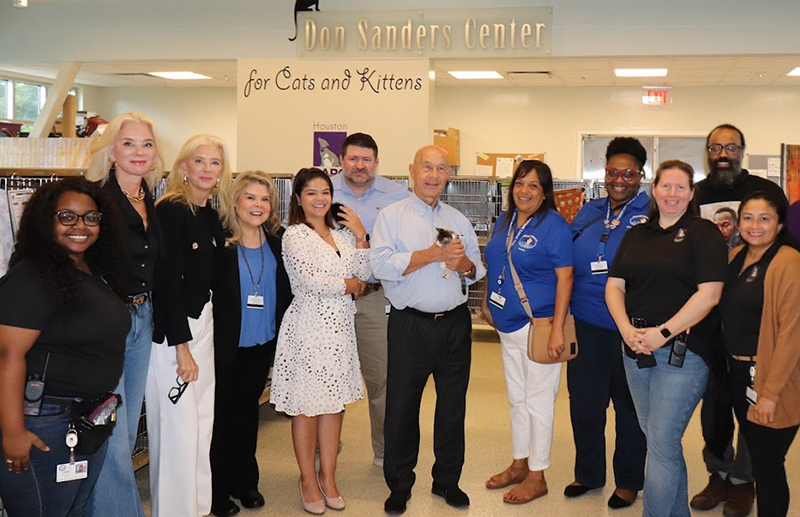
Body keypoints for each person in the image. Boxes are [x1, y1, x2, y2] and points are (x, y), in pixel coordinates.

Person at [0, 178, 129, 516]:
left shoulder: (88, 269)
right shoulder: (33, 276)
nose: (80, 226)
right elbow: (7, 356)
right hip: (44, 420)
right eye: (67, 217)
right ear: (46, 221)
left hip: (84, 418)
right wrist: (13, 432)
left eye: (90, 217)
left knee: (73, 509)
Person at [606, 160, 727, 517]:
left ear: (691, 194)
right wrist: (626, 329)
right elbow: (614, 286)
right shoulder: (637, 234)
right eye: (666, 186)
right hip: (635, 349)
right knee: (662, 443)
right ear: (654, 189)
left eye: (680, 187)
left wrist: (662, 333)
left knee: (660, 444)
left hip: (682, 354)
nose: (672, 194)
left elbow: (710, 294)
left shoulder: (704, 234)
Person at [371, 145, 485, 515]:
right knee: (402, 408)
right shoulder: (392, 216)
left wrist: (464, 264)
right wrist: (432, 255)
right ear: (412, 170)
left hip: (454, 325)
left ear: (448, 175)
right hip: (410, 324)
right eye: (427, 167)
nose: (434, 175)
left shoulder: (458, 219)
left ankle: (447, 481)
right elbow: (380, 265)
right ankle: (399, 485)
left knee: (452, 408)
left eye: (441, 169)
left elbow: (476, 270)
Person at [692, 124, 788, 516]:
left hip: (755, 324)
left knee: (752, 408)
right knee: (714, 409)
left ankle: (743, 482)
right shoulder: (695, 194)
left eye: (731, 147)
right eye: (716, 147)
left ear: (742, 151)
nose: (723, 154)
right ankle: (718, 474)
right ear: (708, 152)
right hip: (709, 323)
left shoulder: (764, 191)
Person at [269, 168, 371, 514]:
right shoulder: (295, 235)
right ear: (298, 198)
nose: (319, 198)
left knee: (333, 405)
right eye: (311, 192)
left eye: (325, 192)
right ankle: (307, 479)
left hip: (340, 330)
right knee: (307, 407)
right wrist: (350, 285)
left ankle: (328, 477)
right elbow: (313, 281)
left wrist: (361, 236)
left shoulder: (342, 235)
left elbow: (366, 274)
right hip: (308, 329)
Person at [84, 111, 164, 517]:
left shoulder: (149, 197)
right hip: (107, 322)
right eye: (128, 143)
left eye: (146, 144)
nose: (138, 152)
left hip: (142, 318)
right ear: (111, 151)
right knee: (112, 434)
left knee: (126, 429)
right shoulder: (95, 198)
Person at [480, 159, 573, 505]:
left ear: (545, 192)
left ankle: (538, 474)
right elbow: (495, 262)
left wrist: (558, 330)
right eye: (519, 183)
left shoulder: (555, 226)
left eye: (533, 185)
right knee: (517, 399)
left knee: (539, 402)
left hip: (539, 327)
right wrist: (487, 301)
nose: (525, 191)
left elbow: (566, 278)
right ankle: (520, 462)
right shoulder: (505, 221)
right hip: (507, 326)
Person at [147, 134, 231, 517]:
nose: (207, 170)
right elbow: (166, 284)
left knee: (201, 422)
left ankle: (198, 507)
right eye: (199, 161)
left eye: (215, 163)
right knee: (178, 428)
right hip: (174, 332)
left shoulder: (210, 215)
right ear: (183, 166)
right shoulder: (171, 211)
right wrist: (181, 347)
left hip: (204, 324)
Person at [563, 138, 648, 508]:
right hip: (585, 323)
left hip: (631, 328)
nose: (619, 180)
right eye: (613, 172)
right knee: (585, 404)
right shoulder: (589, 210)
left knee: (629, 408)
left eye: (628, 174)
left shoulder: (652, 211)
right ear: (605, 173)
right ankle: (588, 474)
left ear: (640, 176)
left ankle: (628, 481)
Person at [210, 171, 292, 516]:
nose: (258, 205)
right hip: (224, 345)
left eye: (265, 199)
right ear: (235, 201)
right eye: (251, 197)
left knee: (246, 415)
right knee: (220, 419)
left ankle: (245, 483)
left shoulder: (278, 241)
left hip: (262, 344)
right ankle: (216, 493)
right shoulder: (219, 242)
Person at [719, 191, 800, 517]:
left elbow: (792, 335)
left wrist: (770, 394)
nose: (755, 225)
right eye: (748, 218)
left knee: (768, 464)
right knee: (759, 456)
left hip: (772, 378)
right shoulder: (736, 255)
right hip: (738, 374)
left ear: (779, 224)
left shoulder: (789, 263)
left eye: (764, 218)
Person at [331, 132, 409, 468]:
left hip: (376, 298)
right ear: (341, 161)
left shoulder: (398, 196)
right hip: (331, 299)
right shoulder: (323, 191)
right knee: (328, 377)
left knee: (383, 380)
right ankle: (324, 448)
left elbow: (405, 248)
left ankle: (385, 450)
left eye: (366, 160)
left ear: (376, 162)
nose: (359, 166)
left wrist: (363, 234)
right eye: (353, 159)